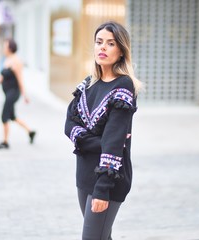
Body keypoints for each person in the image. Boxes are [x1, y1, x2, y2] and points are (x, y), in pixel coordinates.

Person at [64, 21, 142, 240]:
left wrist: (102, 189)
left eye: (110, 44)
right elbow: (69, 125)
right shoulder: (88, 84)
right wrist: (104, 141)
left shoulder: (124, 87)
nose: (103, 48)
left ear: (121, 52)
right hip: (84, 173)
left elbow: (114, 142)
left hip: (109, 179)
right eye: (99, 42)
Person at [0, 39, 36, 149]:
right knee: (12, 117)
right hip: (8, 92)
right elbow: (2, 77)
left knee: (4, 116)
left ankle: (5, 142)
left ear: (10, 48)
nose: (3, 49)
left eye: (5, 47)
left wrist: (25, 95)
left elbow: (20, 79)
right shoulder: (7, 60)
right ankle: (30, 131)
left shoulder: (16, 61)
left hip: (13, 93)